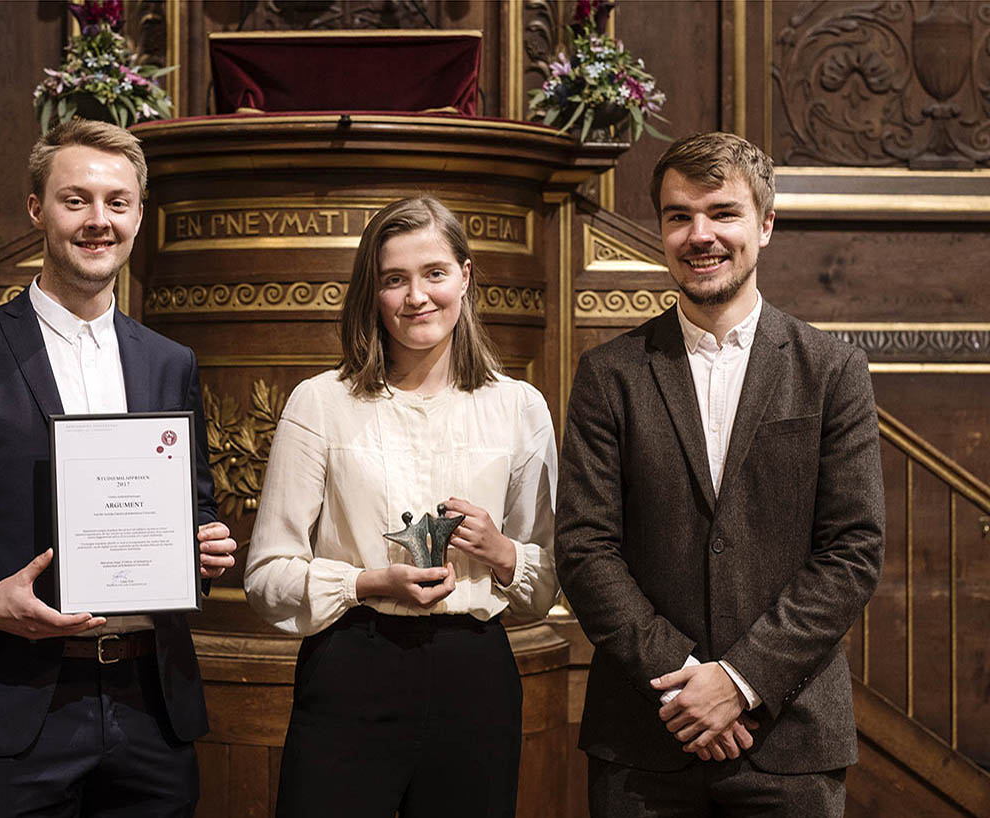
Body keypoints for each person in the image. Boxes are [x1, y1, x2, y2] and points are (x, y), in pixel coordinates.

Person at [0, 119, 237, 818]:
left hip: (150, 708)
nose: (99, 221)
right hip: (10, 710)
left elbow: (195, 503)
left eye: (117, 203)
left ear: (138, 216)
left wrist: (202, 540)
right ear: (37, 209)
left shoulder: (168, 361)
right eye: (77, 200)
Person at [555, 131, 885, 816]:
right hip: (645, 736)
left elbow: (852, 552)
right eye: (679, 216)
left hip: (789, 739)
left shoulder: (832, 372)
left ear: (764, 225)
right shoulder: (608, 374)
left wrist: (740, 681)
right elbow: (586, 548)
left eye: (722, 212)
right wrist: (683, 684)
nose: (699, 234)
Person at [244, 196, 559, 817]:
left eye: (434, 273)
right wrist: (366, 582)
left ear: (465, 276)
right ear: (373, 291)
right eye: (395, 279)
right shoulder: (320, 403)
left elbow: (546, 581)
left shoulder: (520, 406)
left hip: (475, 676)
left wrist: (501, 552)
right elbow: (265, 578)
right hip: (352, 666)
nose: (417, 296)